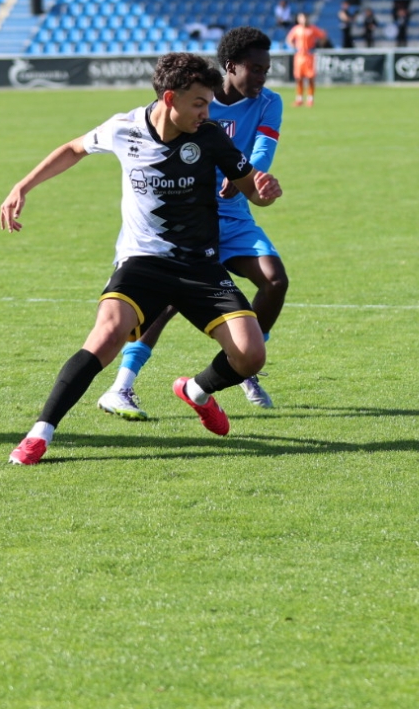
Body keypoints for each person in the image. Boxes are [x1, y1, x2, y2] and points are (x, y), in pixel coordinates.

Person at [0, 53, 282, 465]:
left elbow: (251, 190)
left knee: (251, 355)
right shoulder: (124, 127)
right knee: (106, 335)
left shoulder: (212, 136)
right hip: (142, 262)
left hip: (201, 266)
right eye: (200, 103)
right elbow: (74, 148)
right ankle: (40, 433)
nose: (207, 111)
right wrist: (22, 187)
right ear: (170, 98)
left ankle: (196, 390)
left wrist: (264, 191)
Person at [98, 30, 287, 418]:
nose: (262, 77)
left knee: (274, 280)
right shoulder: (198, 97)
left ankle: (242, 369)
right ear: (231, 67)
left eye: (266, 70)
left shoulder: (269, 102)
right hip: (186, 214)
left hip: (233, 215)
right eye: (255, 69)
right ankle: (122, 384)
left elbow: (263, 148)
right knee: (167, 298)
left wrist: (250, 178)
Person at [286, 12, 326, 107]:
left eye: (304, 18)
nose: (303, 20)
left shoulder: (312, 29)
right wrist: (294, 47)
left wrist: (318, 45)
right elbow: (289, 40)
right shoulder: (296, 29)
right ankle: (299, 99)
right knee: (299, 78)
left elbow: (323, 36)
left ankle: (310, 99)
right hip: (299, 56)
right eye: (301, 18)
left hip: (309, 56)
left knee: (310, 77)